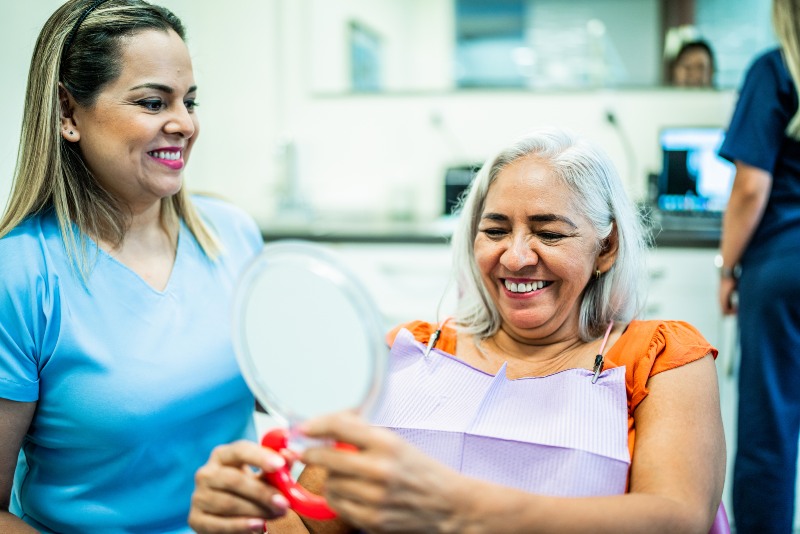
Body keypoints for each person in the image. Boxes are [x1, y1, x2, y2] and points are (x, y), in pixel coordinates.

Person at [188, 127, 727, 534]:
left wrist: (459, 507)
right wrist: (247, 516)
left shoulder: (663, 358)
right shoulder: (404, 354)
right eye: (494, 230)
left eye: (548, 232)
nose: (515, 257)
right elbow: (311, 523)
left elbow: (679, 518)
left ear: (605, 247)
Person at [0, 0, 272, 531]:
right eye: (153, 102)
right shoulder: (20, 274)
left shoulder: (230, 233)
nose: (185, 124)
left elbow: (276, 391)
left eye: (190, 101)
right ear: (67, 113)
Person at [717, 0, 800, 532]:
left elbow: (750, 188)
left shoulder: (776, 69)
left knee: (769, 426)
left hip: (784, 265)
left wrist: (727, 268)